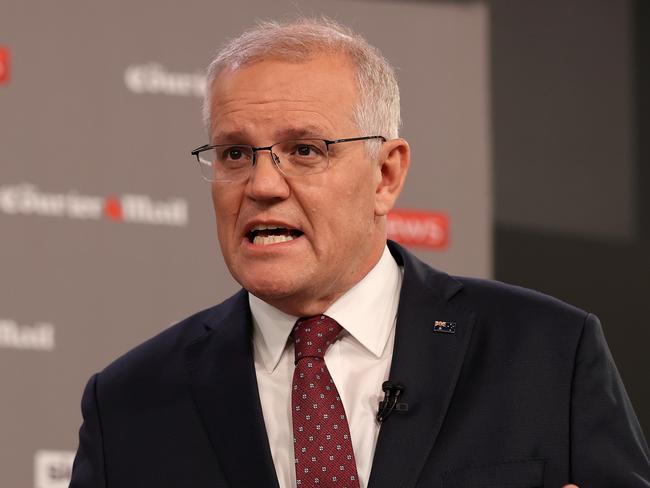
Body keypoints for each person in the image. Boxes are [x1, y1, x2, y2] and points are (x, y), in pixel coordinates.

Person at [69, 18, 650, 488]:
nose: (263, 185)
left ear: (386, 175)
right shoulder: (128, 404)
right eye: (235, 154)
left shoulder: (548, 353)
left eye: (304, 149)